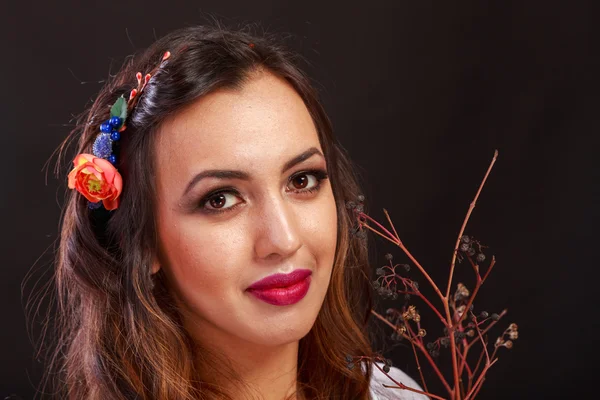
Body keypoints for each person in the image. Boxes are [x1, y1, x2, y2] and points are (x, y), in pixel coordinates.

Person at [42, 22, 428, 399]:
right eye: (220, 199)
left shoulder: (394, 391)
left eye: (302, 180)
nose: (284, 239)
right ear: (141, 241)